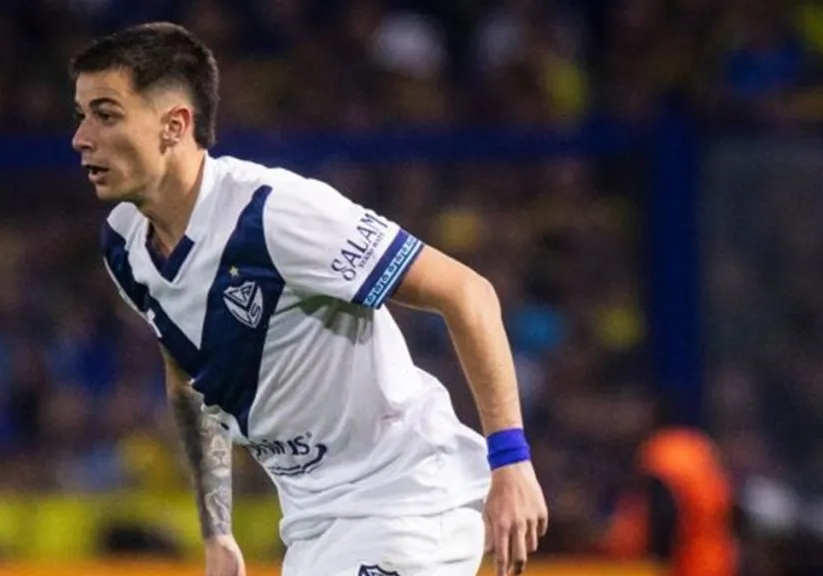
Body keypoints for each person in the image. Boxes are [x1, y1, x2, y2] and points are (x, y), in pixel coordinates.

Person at [70, 22, 547, 576]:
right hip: (313, 527)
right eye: (81, 115)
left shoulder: (275, 213)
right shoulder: (125, 246)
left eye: (105, 114)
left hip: (409, 501)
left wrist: (511, 462)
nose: (81, 137)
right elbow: (188, 376)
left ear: (174, 126)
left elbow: (467, 292)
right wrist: (217, 531)